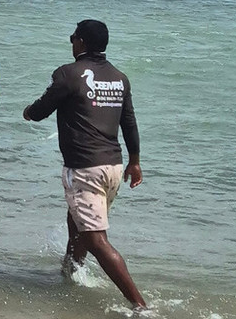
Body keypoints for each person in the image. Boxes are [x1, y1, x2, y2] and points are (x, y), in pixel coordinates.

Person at [22, 19, 147, 310]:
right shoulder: (119, 78)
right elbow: (129, 122)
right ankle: (72, 271)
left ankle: (141, 306)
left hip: (84, 169)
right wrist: (136, 162)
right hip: (114, 168)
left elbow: (41, 110)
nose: (70, 41)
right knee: (76, 221)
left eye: (73, 36)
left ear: (81, 43)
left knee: (95, 239)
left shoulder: (68, 75)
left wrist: (27, 112)